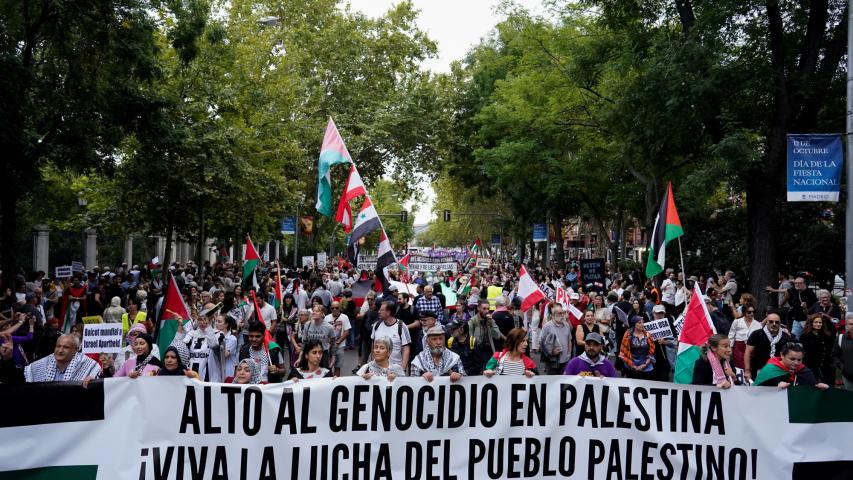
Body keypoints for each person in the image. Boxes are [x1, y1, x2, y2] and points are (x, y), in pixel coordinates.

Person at [24, 334, 101, 382]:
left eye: (66, 347)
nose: (60, 350)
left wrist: (92, 381)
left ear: (76, 350)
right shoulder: (44, 362)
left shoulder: (86, 365)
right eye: (58, 346)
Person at [754, 343, 829, 389]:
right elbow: (757, 393)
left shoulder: (804, 371)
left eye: (799, 360)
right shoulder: (769, 370)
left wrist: (819, 387)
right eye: (792, 359)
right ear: (782, 355)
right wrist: (775, 389)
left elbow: (811, 390)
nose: (796, 363)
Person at [744, 312, 790, 383]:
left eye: (777, 322)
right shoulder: (756, 334)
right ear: (766, 322)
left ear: (780, 323)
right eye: (771, 321)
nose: (774, 324)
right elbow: (748, 353)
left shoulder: (785, 337)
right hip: (760, 369)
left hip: (779, 371)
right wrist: (747, 370)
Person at [370, 301, 411, 372]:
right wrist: (373, 365)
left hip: (395, 370)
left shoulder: (401, 326)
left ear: (388, 312)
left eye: (381, 310)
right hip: (378, 369)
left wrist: (402, 369)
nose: (379, 311)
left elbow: (406, 349)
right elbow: (373, 345)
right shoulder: (376, 325)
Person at [800, 315, 836, 385]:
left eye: (820, 322)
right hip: (811, 366)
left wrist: (827, 319)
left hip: (826, 366)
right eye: (816, 322)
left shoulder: (826, 335)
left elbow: (833, 332)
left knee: (828, 386)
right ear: (811, 323)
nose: (818, 324)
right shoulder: (804, 336)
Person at [619, 315, 655, 380]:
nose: (642, 324)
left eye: (642, 322)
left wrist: (644, 365)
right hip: (630, 365)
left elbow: (651, 352)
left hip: (646, 365)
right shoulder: (628, 334)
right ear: (634, 324)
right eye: (639, 323)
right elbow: (623, 352)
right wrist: (633, 366)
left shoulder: (648, 335)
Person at [539, 304, 572, 375]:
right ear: (553, 315)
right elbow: (541, 342)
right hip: (552, 360)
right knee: (552, 382)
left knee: (562, 382)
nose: (562, 315)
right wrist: (551, 352)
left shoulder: (566, 325)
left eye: (563, 312)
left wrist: (568, 354)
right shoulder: (547, 326)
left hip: (564, 360)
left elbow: (569, 340)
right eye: (559, 313)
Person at [728, 303, 761, 369]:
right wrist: (730, 349)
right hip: (739, 347)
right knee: (739, 367)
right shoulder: (737, 322)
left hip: (752, 349)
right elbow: (731, 336)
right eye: (749, 312)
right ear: (744, 312)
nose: (751, 313)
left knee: (749, 367)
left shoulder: (758, 324)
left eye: (753, 312)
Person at [208, 315, 238, 383]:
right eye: (216, 321)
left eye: (219, 322)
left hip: (227, 370)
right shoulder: (213, 336)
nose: (216, 323)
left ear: (226, 324)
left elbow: (225, 354)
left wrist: (219, 342)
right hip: (214, 369)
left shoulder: (232, 338)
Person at [833, 314, 853, 391]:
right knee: (850, 398)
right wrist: (842, 367)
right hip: (848, 376)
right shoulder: (841, 338)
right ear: (846, 325)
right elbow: (834, 355)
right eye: (851, 324)